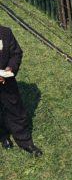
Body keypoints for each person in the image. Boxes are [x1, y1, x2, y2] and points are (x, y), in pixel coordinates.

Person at [0, 26, 42, 156]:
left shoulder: (5, 33)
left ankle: (25, 141)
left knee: (15, 110)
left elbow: (16, 53)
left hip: (7, 82)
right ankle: (3, 136)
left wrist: (10, 68)